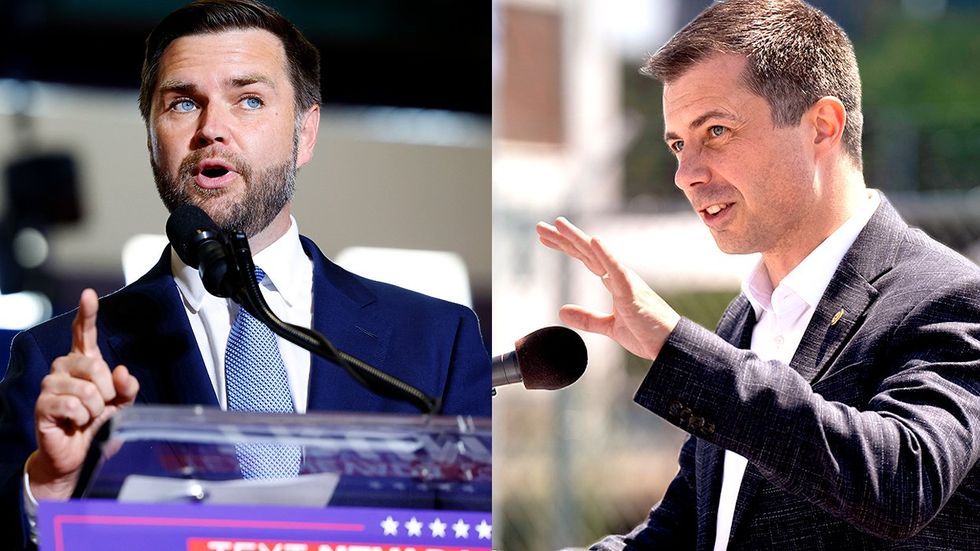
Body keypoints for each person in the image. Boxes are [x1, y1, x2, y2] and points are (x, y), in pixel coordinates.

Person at [0, 1, 490, 548]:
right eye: (183, 103)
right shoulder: (53, 363)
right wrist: (51, 487)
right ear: (151, 139)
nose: (213, 129)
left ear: (305, 133)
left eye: (249, 100)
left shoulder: (434, 344)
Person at [537, 0, 980, 548]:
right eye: (678, 144)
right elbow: (685, 532)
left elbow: (899, 483)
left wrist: (680, 350)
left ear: (821, 126)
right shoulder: (746, 320)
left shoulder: (948, 295)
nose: (686, 174)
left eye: (716, 131)